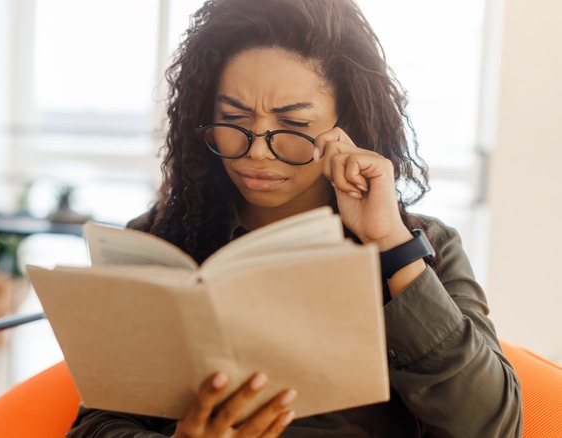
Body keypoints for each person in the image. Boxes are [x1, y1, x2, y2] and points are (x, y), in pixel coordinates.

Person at [68, 0, 523, 436]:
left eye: (293, 125)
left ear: (345, 123)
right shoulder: (158, 239)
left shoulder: (425, 245)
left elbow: (492, 428)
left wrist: (390, 244)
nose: (258, 151)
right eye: (233, 118)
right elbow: (96, 425)